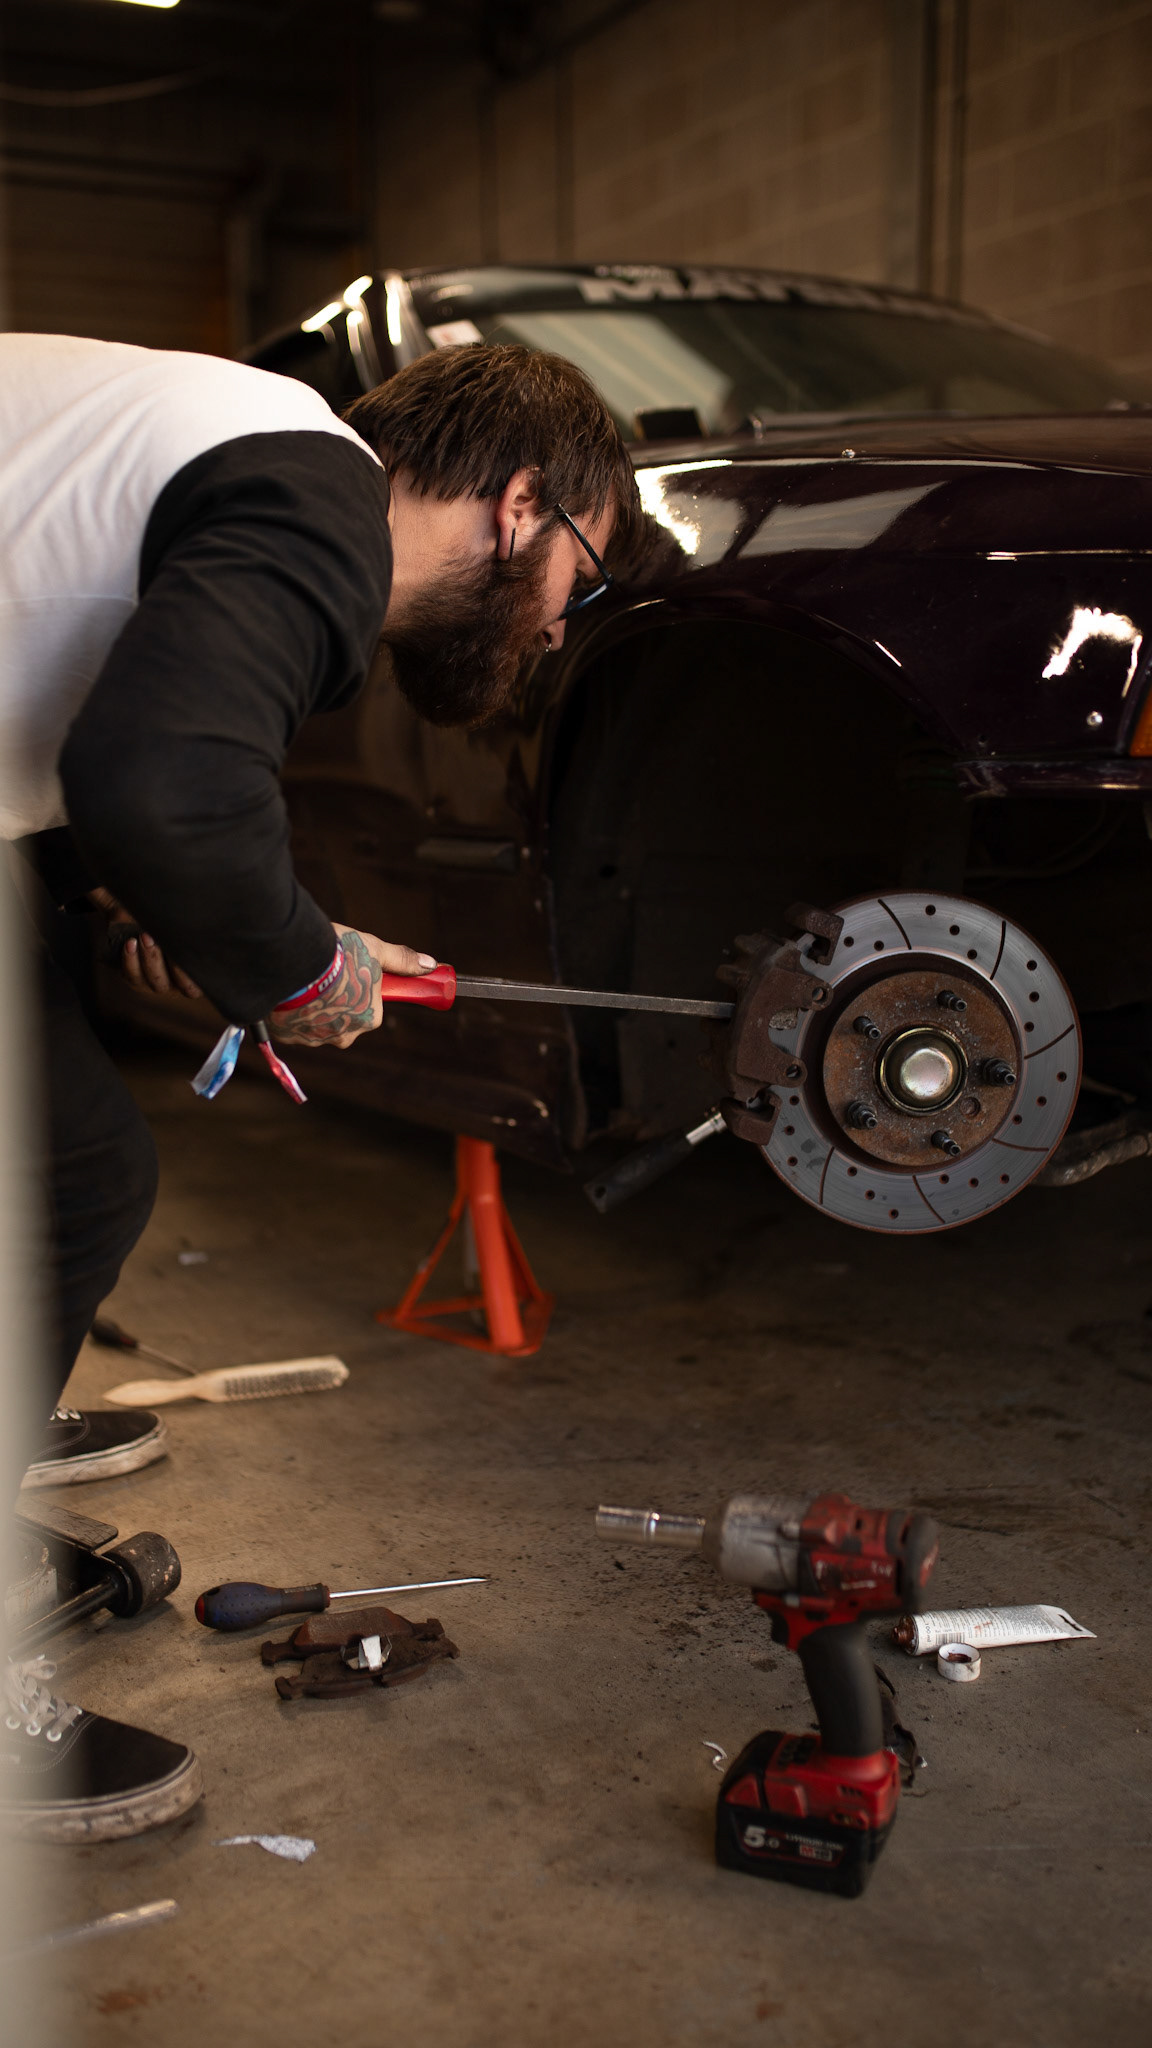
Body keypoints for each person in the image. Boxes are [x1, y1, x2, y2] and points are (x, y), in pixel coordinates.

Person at [1, 332, 642, 1841]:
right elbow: (164, 778)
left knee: (63, 1165)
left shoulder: (245, 447)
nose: (564, 624)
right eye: (584, 572)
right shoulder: (316, 500)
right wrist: (298, 969)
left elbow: (85, 728)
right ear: (521, 506)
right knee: (68, 1179)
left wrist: (133, 904)